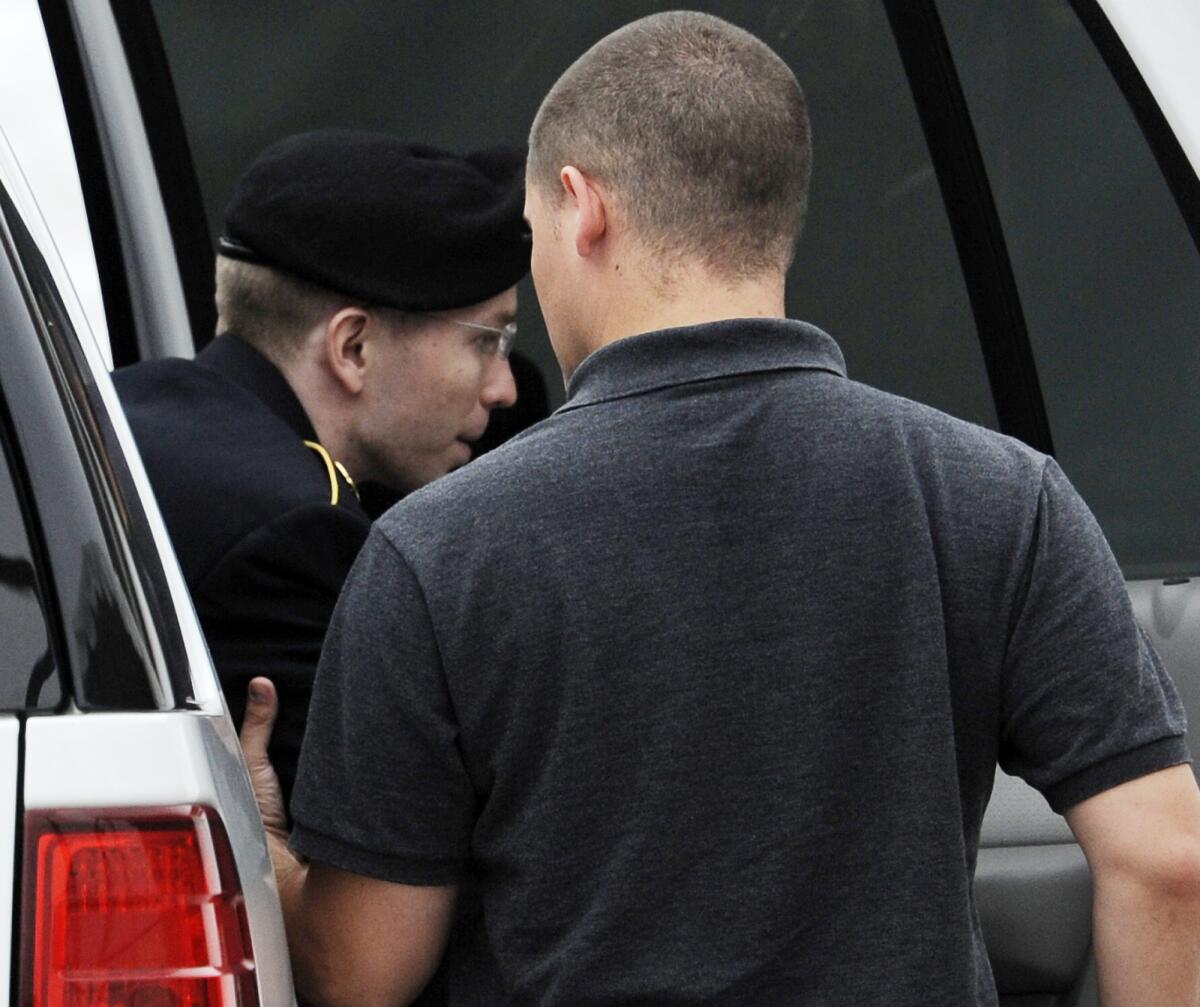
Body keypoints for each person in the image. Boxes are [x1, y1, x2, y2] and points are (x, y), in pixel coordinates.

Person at [240, 13, 1200, 1006]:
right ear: (775, 210)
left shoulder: (433, 552)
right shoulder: (999, 497)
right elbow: (1167, 857)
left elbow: (358, 972)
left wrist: (264, 845)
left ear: (582, 209)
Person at [116, 129, 530, 803]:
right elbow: (385, 859)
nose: (505, 388)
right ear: (354, 347)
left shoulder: (128, 402)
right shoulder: (295, 538)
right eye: (489, 341)